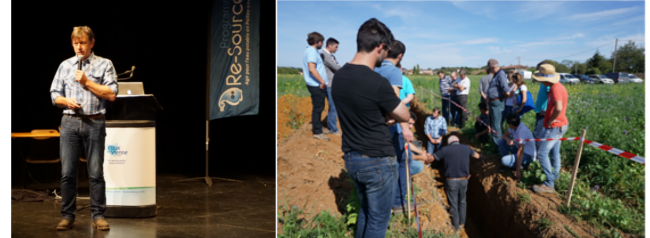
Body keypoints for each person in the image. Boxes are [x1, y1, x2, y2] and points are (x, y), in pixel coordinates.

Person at [331, 18, 410, 238]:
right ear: (379, 47)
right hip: (377, 160)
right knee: (378, 221)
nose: (386, 55)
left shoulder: (339, 77)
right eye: (386, 50)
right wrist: (391, 114)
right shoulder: (376, 82)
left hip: (352, 157)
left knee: (366, 212)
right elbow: (403, 114)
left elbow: (359, 108)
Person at [50, 26, 117, 231]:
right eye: (75, 43)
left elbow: (112, 94)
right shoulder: (65, 66)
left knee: (95, 172)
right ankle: (68, 216)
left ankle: (98, 216)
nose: (79, 47)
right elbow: (54, 95)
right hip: (70, 123)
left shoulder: (105, 64)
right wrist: (65, 101)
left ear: (91, 43)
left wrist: (87, 81)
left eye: (83, 43)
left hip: (95, 122)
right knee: (68, 173)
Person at [374, 40, 415, 215]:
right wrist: (405, 127)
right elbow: (394, 103)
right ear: (400, 56)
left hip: (372, 126)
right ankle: (398, 203)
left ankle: (382, 203)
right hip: (390, 126)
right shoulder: (394, 72)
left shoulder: (372, 68)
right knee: (402, 163)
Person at [531, 64, 569, 194]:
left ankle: (549, 183)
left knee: (542, 153)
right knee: (554, 152)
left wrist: (551, 120)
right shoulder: (558, 86)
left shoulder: (555, 89)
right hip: (561, 125)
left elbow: (558, 108)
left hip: (555, 126)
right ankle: (555, 177)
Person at [432, 135, 481, 231]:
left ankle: (455, 226)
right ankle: (462, 223)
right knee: (462, 202)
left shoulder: (445, 150)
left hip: (451, 181)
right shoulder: (466, 148)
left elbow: (432, 158)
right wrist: (483, 156)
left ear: (449, 142)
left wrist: (423, 158)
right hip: (464, 180)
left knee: (453, 203)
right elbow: (477, 156)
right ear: (458, 141)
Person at [302, 32, 330, 141]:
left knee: (318, 107)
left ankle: (318, 128)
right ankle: (317, 132)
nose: (323, 43)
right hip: (316, 85)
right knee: (318, 108)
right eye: (321, 42)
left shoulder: (311, 51)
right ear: (315, 42)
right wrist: (322, 81)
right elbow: (311, 68)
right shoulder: (311, 52)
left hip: (315, 84)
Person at [498, 114, 536, 179]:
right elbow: (504, 135)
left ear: (511, 124)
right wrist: (508, 139)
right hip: (517, 148)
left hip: (527, 155)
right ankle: (510, 163)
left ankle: (522, 166)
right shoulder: (514, 127)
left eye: (508, 123)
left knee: (503, 160)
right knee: (500, 141)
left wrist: (518, 171)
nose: (507, 124)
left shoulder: (522, 131)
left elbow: (520, 152)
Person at [485, 59, 511, 145]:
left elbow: (506, 91)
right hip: (493, 103)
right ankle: (495, 144)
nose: (488, 70)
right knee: (494, 124)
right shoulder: (496, 74)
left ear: (493, 67)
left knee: (496, 126)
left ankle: (498, 146)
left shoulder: (501, 74)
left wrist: (500, 99)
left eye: (489, 68)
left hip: (497, 103)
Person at [320, 37, 342, 136]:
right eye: (336, 47)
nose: (337, 49)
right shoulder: (325, 55)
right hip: (329, 84)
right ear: (330, 45)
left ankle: (331, 126)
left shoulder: (330, 55)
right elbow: (337, 67)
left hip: (332, 83)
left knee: (333, 105)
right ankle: (333, 128)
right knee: (333, 106)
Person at [533, 62, 551, 149]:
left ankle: (536, 157)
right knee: (537, 133)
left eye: (538, 70)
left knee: (538, 135)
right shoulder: (543, 81)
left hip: (543, 113)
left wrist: (547, 110)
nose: (536, 72)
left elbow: (552, 97)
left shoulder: (548, 83)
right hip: (540, 111)